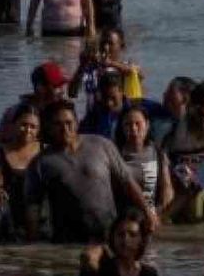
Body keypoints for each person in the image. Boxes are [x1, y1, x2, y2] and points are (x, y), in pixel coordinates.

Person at [24, 101, 153, 243]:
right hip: (67, 241)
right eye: (58, 124)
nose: (65, 129)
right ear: (49, 128)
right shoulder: (41, 163)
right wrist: (33, 244)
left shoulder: (102, 145)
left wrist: (147, 213)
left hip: (109, 234)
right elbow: (32, 207)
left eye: (69, 123)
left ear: (77, 123)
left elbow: (127, 182)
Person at [158, 81, 204, 224]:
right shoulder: (179, 124)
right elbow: (165, 156)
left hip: (202, 173)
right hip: (177, 170)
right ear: (191, 107)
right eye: (201, 114)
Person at [115, 104, 173, 215]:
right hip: (124, 215)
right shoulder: (115, 154)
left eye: (138, 124)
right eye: (128, 124)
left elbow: (167, 189)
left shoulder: (157, 152)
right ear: (122, 128)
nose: (133, 129)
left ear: (147, 125)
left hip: (152, 214)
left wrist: (158, 213)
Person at [0, 104, 42, 200]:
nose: (28, 130)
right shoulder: (0, 153)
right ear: (14, 125)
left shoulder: (45, 151)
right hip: (8, 207)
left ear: (38, 130)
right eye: (24, 125)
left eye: (33, 127)